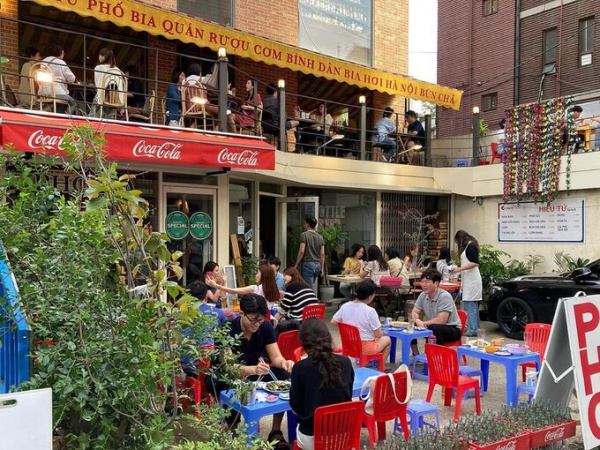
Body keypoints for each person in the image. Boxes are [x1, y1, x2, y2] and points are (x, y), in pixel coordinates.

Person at [206, 294, 294, 446]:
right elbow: (229, 367)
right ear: (241, 313)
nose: (256, 324)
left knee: (284, 376)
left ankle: (275, 431)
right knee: (227, 385)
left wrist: (285, 362)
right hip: (225, 374)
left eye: (260, 320)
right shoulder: (226, 329)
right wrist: (254, 369)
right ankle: (233, 430)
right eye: (253, 320)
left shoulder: (265, 326)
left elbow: (276, 357)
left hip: (252, 372)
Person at [290, 318, 354, 450]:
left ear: (302, 342)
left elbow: (296, 408)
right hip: (344, 435)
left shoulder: (300, 368)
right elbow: (348, 394)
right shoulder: (346, 362)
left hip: (312, 438)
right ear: (328, 337)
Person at [332, 279, 392, 363]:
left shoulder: (345, 306)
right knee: (387, 339)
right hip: (365, 348)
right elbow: (378, 334)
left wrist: (346, 329)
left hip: (349, 345)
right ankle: (381, 366)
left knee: (375, 339)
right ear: (370, 296)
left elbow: (333, 321)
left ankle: (370, 362)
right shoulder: (370, 311)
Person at [410, 268, 462, 356]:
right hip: (433, 325)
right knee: (411, 323)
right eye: (422, 282)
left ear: (436, 284)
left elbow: (441, 320)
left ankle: (435, 358)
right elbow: (414, 312)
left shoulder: (444, 296)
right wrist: (417, 321)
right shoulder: (423, 295)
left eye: (427, 282)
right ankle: (416, 354)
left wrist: (423, 323)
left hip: (452, 328)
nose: (424, 285)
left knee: (435, 329)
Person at [180, 280, 226, 376]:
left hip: (185, 365)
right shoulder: (217, 313)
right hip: (208, 365)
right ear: (206, 296)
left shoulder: (181, 315)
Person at [183, 63, 236, 132]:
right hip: (202, 105)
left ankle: (194, 126)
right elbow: (210, 89)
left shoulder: (184, 81)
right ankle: (217, 130)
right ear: (199, 72)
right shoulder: (202, 79)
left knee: (216, 111)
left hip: (188, 107)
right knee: (222, 110)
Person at [450, 230, 482, 337]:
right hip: (469, 279)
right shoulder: (470, 245)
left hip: (472, 280)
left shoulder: (470, 246)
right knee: (472, 305)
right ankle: (475, 328)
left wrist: (459, 269)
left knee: (470, 305)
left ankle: (473, 329)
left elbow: (475, 263)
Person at [207, 262, 281, 306]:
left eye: (257, 273)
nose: (255, 275)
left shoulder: (256, 288)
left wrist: (216, 286)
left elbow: (233, 290)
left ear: (264, 275)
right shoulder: (272, 288)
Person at [39, 43, 77, 114]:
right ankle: (65, 118)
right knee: (72, 103)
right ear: (60, 52)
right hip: (57, 92)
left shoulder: (43, 62)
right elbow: (71, 79)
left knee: (59, 103)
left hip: (43, 92)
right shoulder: (60, 62)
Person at [294, 216, 325, 293]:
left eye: (305, 223)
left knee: (307, 289)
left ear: (308, 225)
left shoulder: (304, 235)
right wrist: (322, 268)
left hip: (308, 264)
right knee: (309, 286)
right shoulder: (320, 237)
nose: (304, 225)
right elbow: (322, 254)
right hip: (317, 265)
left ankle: (310, 300)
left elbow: (302, 251)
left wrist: (296, 263)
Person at [93, 48, 124, 118]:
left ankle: (93, 118)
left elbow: (98, 85)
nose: (99, 57)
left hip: (103, 98)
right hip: (116, 100)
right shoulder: (118, 70)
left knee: (97, 98)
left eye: (100, 55)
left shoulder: (99, 67)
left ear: (104, 56)